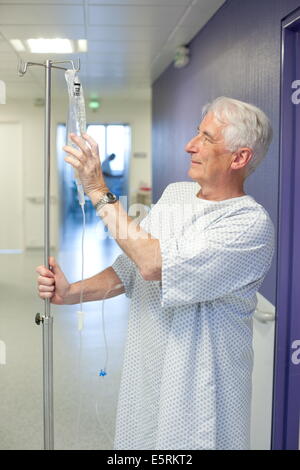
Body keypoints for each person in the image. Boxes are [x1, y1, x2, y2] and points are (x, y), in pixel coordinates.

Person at [36, 96, 275, 450]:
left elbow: (153, 264)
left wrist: (97, 190)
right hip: (147, 373)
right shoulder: (177, 195)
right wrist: (72, 293)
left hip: (201, 391)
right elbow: (131, 268)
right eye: (197, 133)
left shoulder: (248, 225)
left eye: (207, 138)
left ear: (239, 158)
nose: (189, 145)